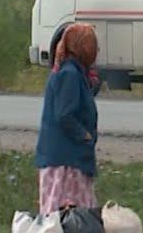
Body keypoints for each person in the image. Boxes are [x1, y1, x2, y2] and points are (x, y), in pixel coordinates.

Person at [37, 23, 101, 216]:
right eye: (91, 45)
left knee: (73, 216)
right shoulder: (70, 75)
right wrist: (85, 136)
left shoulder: (73, 72)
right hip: (66, 161)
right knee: (68, 214)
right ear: (82, 47)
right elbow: (65, 114)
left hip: (67, 158)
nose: (96, 50)